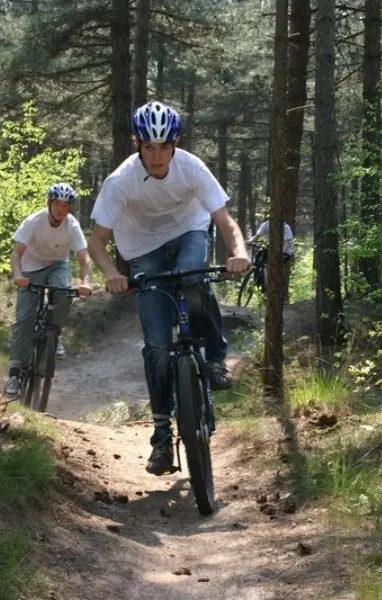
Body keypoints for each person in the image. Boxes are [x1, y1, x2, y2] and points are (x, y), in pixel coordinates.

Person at [87, 100, 251, 475]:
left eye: (164, 147)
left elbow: (224, 221)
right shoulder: (120, 181)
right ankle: (161, 436)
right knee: (158, 347)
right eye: (149, 147)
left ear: (175, 145)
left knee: (195, 275)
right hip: (143, 250)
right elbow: (96, 241)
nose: (157, 156)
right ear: (138, 145)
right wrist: (113, 273)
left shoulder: (191, 167)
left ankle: (214, 362)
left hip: (188, 232)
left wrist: (239, 252)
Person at [5, 183, 93, 397]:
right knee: (25, 318)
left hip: (57, 265)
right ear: (49, 204)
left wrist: (87, 282)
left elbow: (84, 258)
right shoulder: (34, 221)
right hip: (30, 267)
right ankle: (15, 375)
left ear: (69, 208)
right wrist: (18, 276)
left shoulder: (71, 225)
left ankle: (54, 333)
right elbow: (16, 254)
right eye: (57, 204)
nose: (60, 209)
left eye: (65, 205)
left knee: (63, 291)